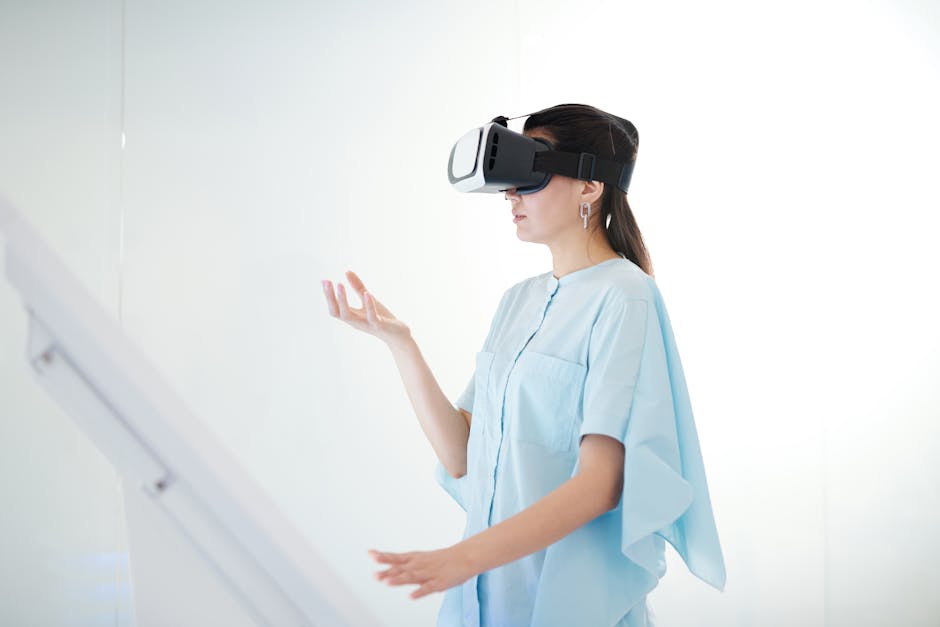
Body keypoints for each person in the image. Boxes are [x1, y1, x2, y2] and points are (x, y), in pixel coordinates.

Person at [321, 104, 726, 627]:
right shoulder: (518, 301)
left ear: (590, 187)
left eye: (530, 173)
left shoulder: (626, 298)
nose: (511, 193)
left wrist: (459, 558)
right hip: (482, 601)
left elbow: (601, 483)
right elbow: (462, 454)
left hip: (567, 604)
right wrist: (401, 344)